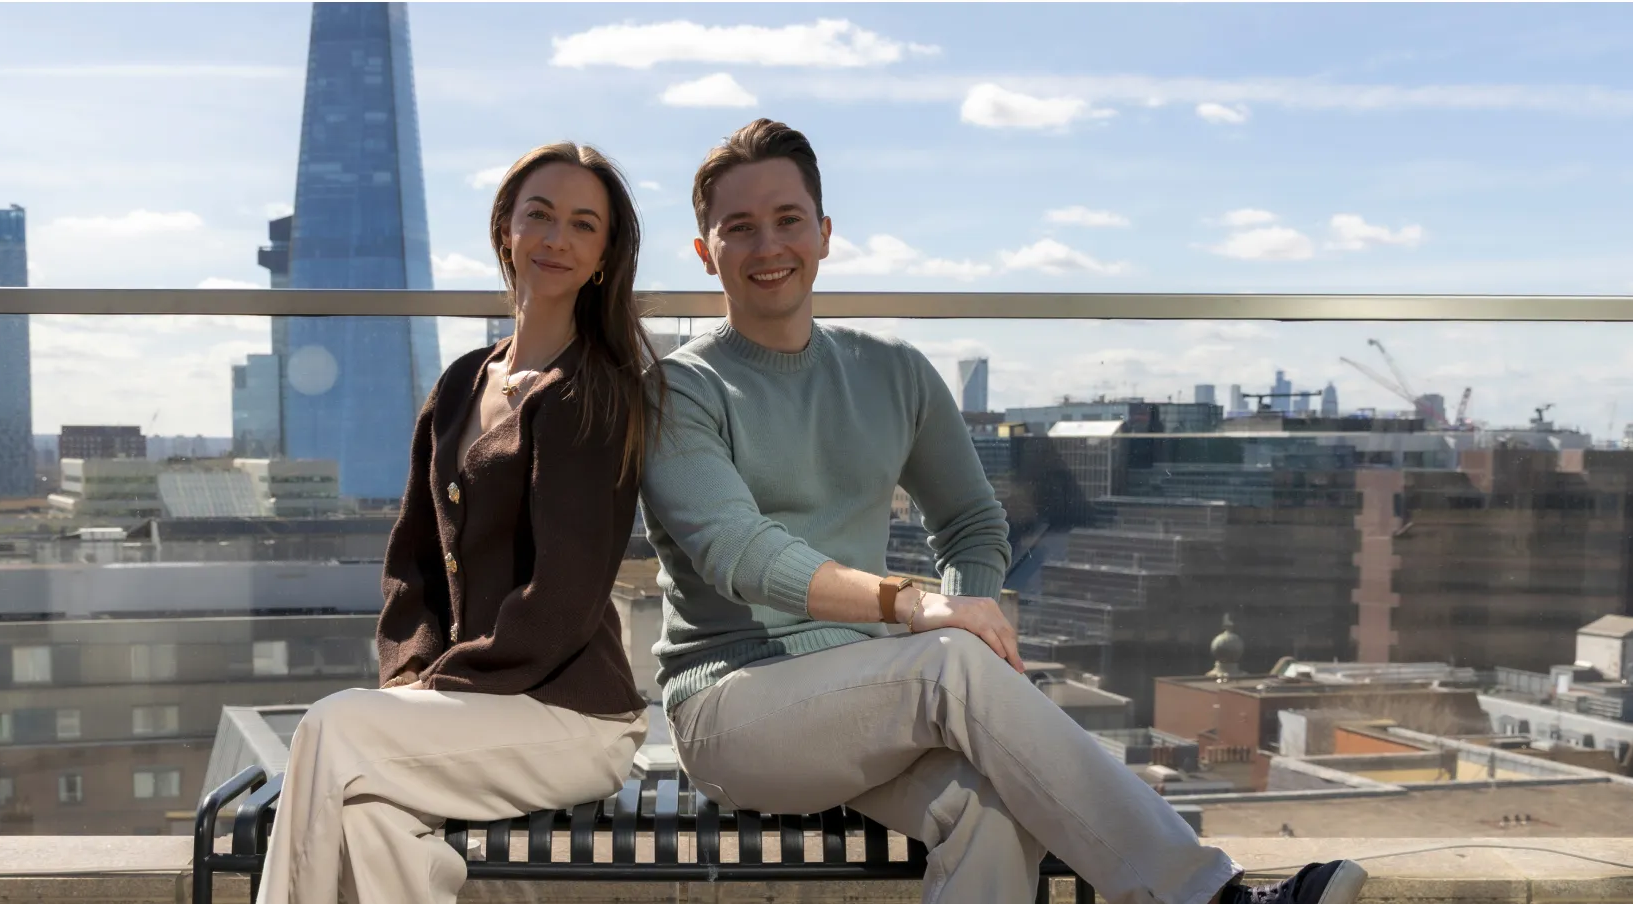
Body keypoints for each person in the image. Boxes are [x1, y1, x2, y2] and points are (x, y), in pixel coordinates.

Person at [639, 117, 1369, 904]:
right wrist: (919, 606)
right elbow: (739, 553)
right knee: (950, 661)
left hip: (871, 697)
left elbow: (973, 523)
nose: (767, 245)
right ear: (705, 252)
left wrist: (970, 603)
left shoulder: (893, 372)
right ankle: (1210, 897)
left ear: (824, 232)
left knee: (990, 812)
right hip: (734, 711)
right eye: (738, 228)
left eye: (788, 220)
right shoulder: (680, 390)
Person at [256, 142, 665, 904]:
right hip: (464, 710)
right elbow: (409, 564)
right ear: (504, 228)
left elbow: (563, 598)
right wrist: (411, 676)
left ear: (604, 258)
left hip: (571, 717)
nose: (555, 239)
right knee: (371, 820)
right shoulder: (458, 384)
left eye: (583, 225)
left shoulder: (592, 397)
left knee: (331, 730)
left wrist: (436, 687)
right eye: (538, 215)